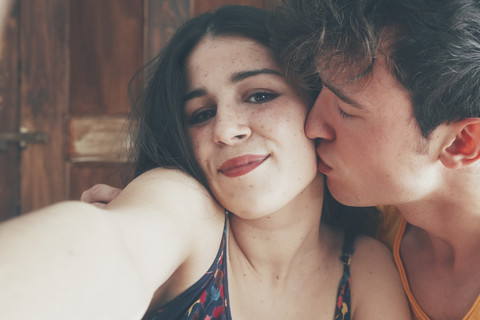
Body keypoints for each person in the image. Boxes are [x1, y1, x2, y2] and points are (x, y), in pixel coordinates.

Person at [0, 5, 410, 320]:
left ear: (317, 106)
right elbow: (112, 248)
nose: (225, 130)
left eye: (259, 95)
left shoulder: (363, 268)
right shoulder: (187, 210)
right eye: (200, 113)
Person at [266, 0, 480, 319]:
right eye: (319, 90)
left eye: (346, 111)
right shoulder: (361, 230)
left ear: (460, 144)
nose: (311, 127)